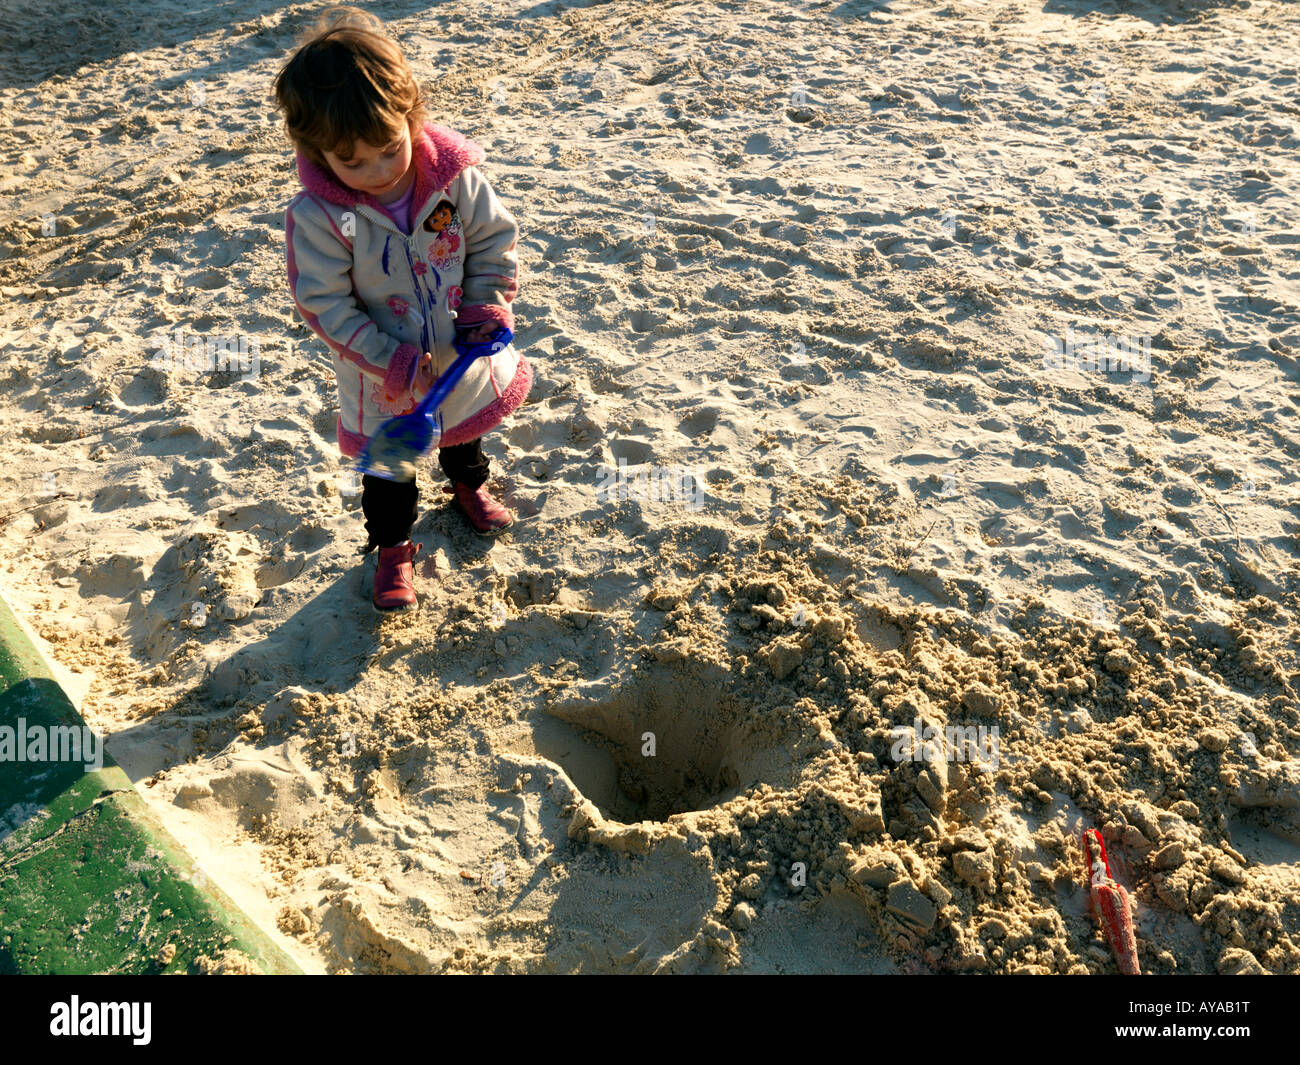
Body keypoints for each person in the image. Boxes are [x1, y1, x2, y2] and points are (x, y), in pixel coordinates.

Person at [274, 6, 531, 611]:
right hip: (383, 381)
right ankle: (393, 549)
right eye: (350, 162)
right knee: (389, 471)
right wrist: (388, 359)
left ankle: (468, 488)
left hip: (459, 355)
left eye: (390, 149)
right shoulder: (319, 220)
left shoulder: (455, 179)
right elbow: (324, 303)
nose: (377, 172)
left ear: (411, 117)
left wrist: (486, 304)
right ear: (317, 152)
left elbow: (493, 241)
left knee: (463, 437)